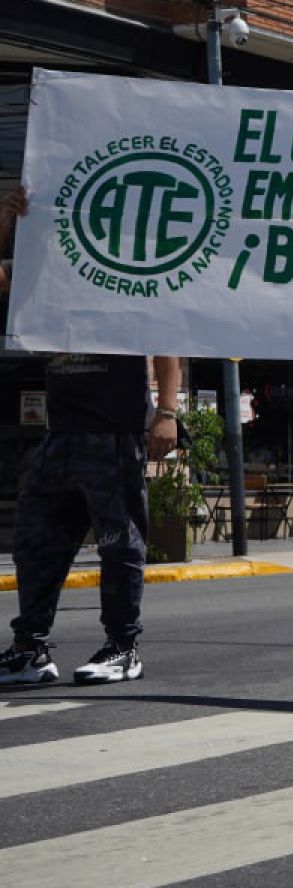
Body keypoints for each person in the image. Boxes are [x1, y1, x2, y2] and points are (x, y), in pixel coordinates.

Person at [0, 188, 181, 686]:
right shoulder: (45, 275)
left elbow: (166, 343)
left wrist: (166, 412)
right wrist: (7, 223)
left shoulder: (130, 272)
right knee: (36, 543)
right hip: (61, 433)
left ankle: (123, 647)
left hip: (114, 433)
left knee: (119, 543)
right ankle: (29, 649)